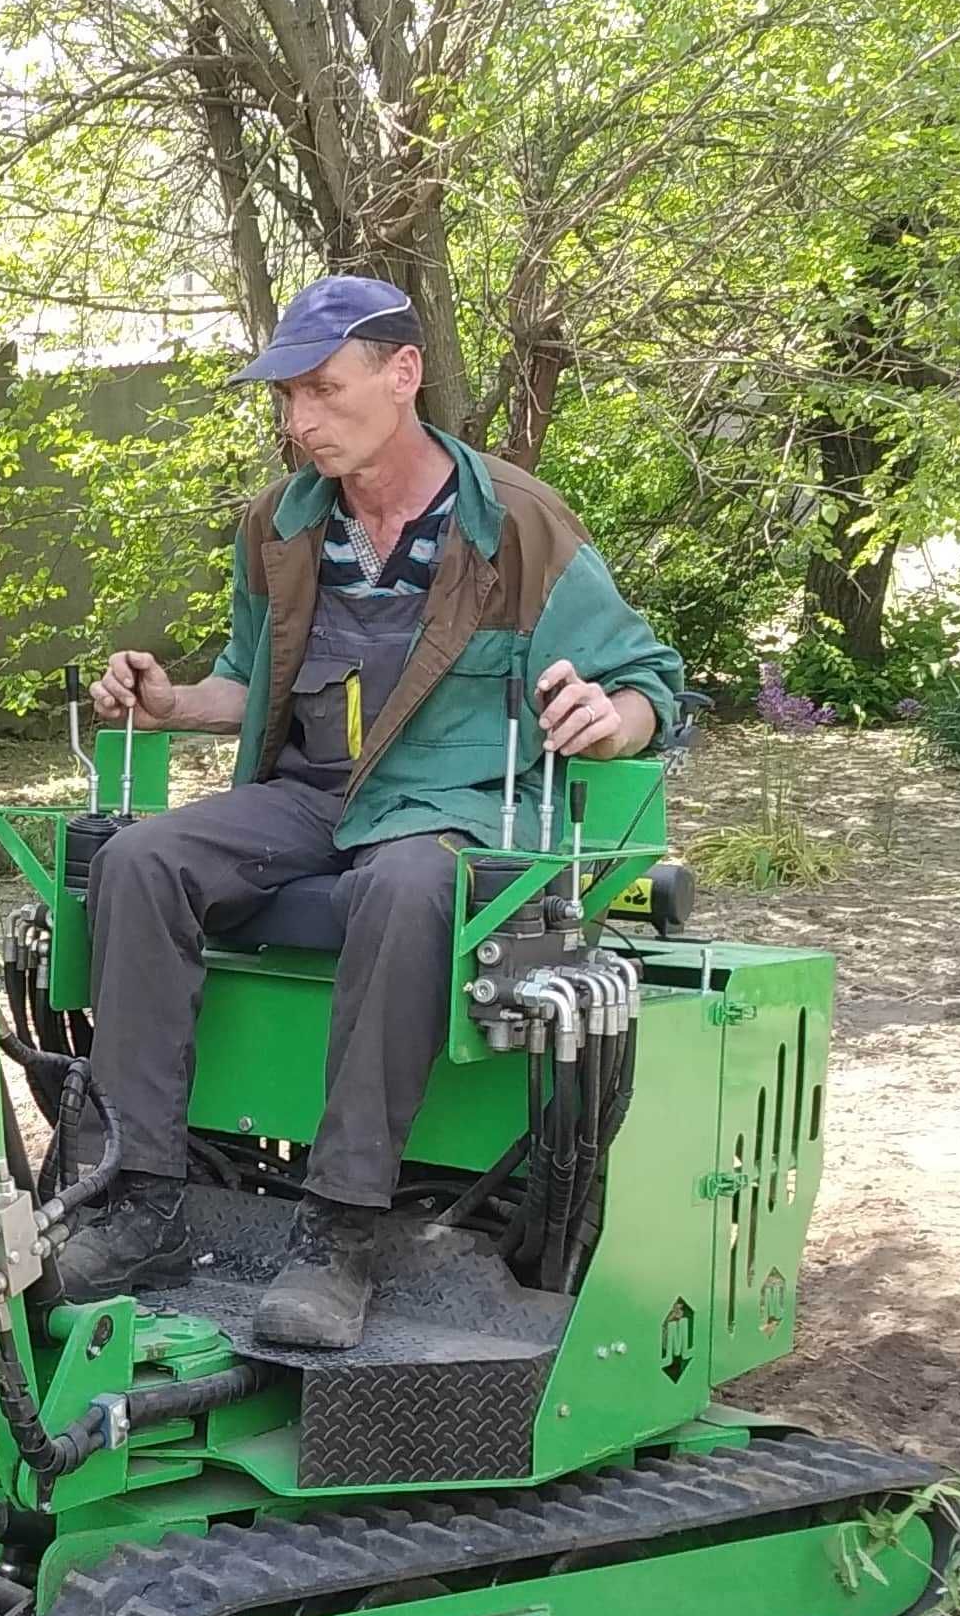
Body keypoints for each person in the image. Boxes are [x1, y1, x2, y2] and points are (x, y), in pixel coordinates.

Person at [63, 276, 683, 1350]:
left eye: (322, 389)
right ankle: (144, 1201)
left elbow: (651, 686)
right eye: (288, 397)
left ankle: (342, 1231)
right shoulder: (280, 525)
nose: (301, 421)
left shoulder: (519, 527)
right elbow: (247, 684)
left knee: (404, 883)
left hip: (452, 805)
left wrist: (607, 715)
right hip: (313, 796)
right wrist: (169, 704)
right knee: (141, 860)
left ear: (402, 375)